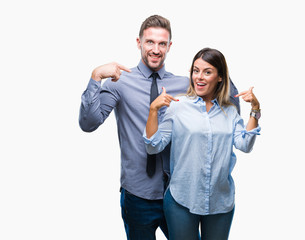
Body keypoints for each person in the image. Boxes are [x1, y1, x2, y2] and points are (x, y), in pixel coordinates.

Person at [79, 15, 240, 239]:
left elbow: (226, 101)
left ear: (169, 46)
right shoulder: (120, 82)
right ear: (139, 43)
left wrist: (227, 81)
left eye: (162, 43)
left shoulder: (185, 84)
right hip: (138, 194)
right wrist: (96, 77)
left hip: (178, 194)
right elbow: (88, 123)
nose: (156, 49)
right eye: (150, 42)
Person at [144, 48, 261, 240]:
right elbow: (153, 146)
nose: (199, 77)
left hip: (220, 201)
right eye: (195, 70)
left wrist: (255, 110)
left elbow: (245, 145)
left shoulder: (229, 112)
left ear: (220, 77)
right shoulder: (177, 106)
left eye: (207, 72)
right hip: (182, 199)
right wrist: (153, 110)